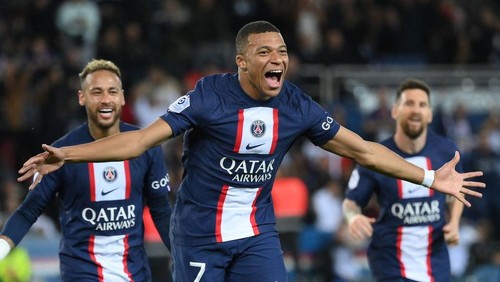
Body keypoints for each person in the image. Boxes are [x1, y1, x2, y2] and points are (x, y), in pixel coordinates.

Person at [17, 21, 484, 281]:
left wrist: (428, 179)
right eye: (263, 52)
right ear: (241, 62)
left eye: (281, 51)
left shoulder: (296, 103)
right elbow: (138, 140)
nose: (277, 59)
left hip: (257, 236)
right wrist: (67, 154)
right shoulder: (208, 96)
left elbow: (363, 150)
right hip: (199, 236)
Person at [0, 59, 172, 281]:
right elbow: (28, 211)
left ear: (122, 97)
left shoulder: (147, 147)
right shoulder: (61, 153)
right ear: (82, 97)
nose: (105, 100)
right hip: (82, 273)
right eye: (96, 92)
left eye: (112, 92)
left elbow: (161, 210)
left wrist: (181, 253)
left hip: (135, 273)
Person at [342, 78, 468, 282]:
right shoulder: (376, 155)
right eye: (408, 103)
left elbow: (456, 192)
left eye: (422, 104)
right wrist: (353, 217)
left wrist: (454, 223)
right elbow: (351, 202)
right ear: (394, 111)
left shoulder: (447, 152)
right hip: (390, 261)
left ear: (429, 114)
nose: (415, 110)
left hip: (435, 261)